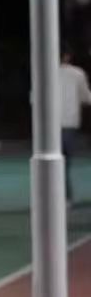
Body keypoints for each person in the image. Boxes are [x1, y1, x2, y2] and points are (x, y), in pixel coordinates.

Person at [60, 49, 91, 203]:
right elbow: (86, 97)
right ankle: (66, 197)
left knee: (52, 161)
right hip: (69, 121)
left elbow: (33, 98)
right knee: (65, 162)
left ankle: (55, 196)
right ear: (67, 56)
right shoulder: (77, 73)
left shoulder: (43, 71)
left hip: (48, 123)